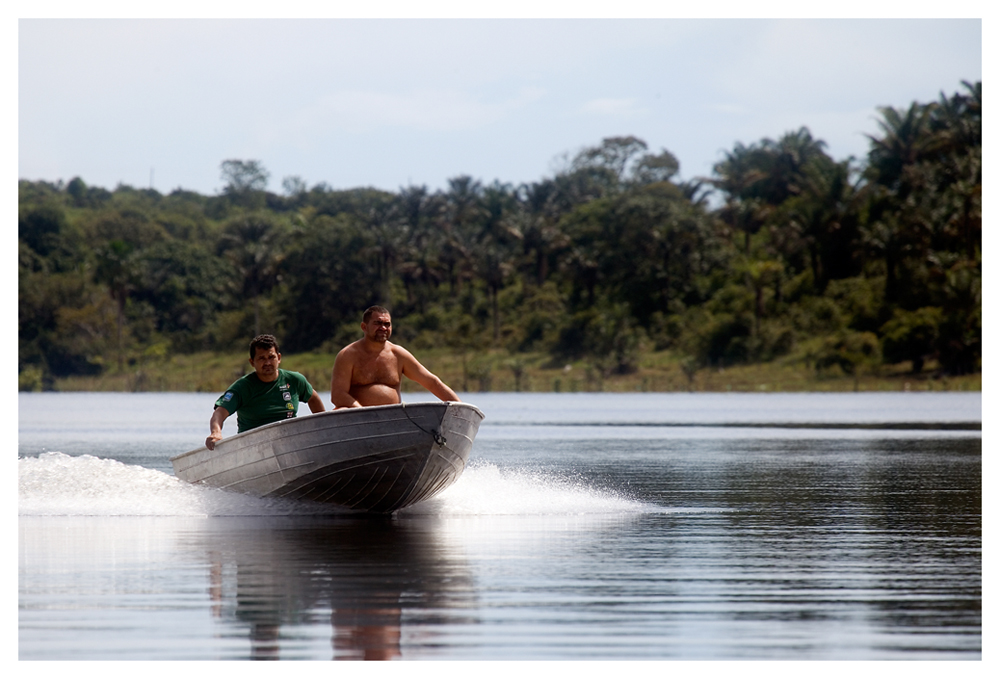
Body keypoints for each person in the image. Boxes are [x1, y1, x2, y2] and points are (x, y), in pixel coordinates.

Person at [206, 334, 325, 450]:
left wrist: (322, 427)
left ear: (279, 358)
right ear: (252, 362)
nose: (267, 363)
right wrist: (216, 433)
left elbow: (313, 399)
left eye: (271, 357)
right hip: (253, 447)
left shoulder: (294, 380)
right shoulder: (242, 387)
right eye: (261, 358)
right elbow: (219, 413)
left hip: (289, 443)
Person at [330, 306, 459, 408]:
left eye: (387, 324)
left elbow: (432, 382)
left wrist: (461, 407)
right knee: (341, 410)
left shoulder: (398, 354)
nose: (383, 328)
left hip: (393, 420)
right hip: (357, 418)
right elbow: (338, 395)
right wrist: (360, 410)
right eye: (378, 323)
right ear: (364, 326)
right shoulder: (347, 355)